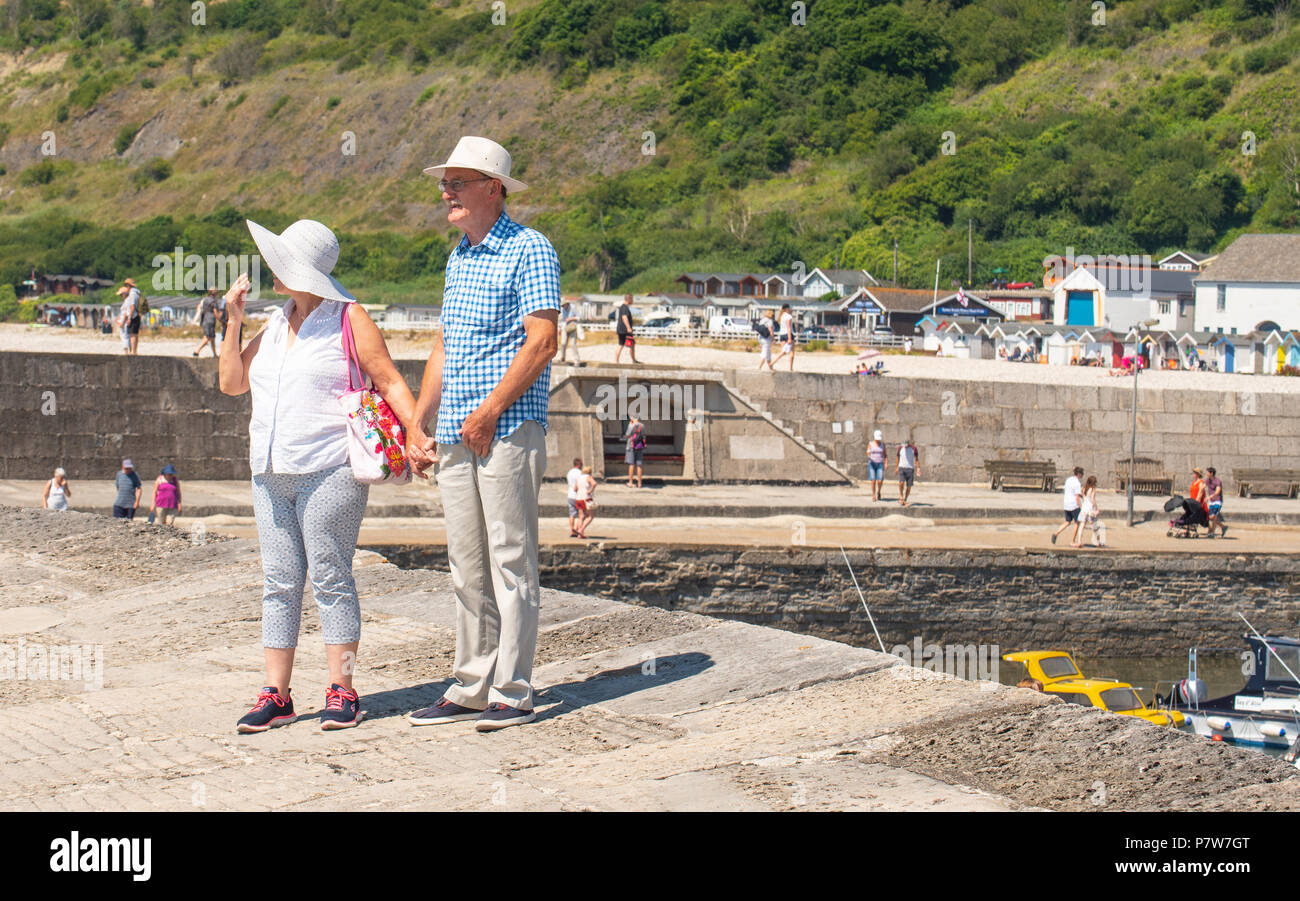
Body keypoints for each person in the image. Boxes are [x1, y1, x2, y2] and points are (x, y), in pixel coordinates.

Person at [219, 217, 424, 734]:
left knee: (331, 575)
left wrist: (419, 435)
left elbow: (390, 381)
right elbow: (230, 383)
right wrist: (232, 319)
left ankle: (343, 691)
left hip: (330, 466)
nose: (273, 270)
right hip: (268, 468)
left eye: (283, 263)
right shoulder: (273, 321)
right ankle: (277, 695)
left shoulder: (349, 318)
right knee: (280, 582)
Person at [404, 135, 560, 733]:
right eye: (445, 184)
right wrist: (420, 420)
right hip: (453, 428)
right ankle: (471, 682)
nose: (446, 193)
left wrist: (491, 409)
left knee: (511, 557)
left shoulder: (530, 249)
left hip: (508, 426)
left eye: (457, 183)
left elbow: (542, 341)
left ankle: (513, 690)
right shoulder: (458, 256)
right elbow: (445, 344)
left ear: (492, 189)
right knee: (466, 563)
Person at [1051, 466, 1084, 545]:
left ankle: (1056, 533)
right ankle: (1072, 541)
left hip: (1066, 504)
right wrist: (1081, 507)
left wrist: (1082, 496)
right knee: (1077, 523)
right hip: (1074, 505)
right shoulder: (1077, 483)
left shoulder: (1068, 480)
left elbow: (1072, 492)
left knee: (1068, 521)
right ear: (1079, 474)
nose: (1083, 475)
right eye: (1082, 473)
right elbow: (1077, 497)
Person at [1074, 475, 1106, 548]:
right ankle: (1098, 542)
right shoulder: (1093, 489)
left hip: (1084, 509)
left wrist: (1081, 505)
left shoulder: (1084, 488)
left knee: (1082, 526)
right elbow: (1092, 499)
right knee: (1094, 526)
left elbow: (1080, 497)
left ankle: (1079, 541)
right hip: (1090, 510)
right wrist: (1097, 508)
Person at [193, 288, 221, 357]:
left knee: (213, 338)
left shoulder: (204, 299)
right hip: (210, 321)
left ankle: (214, 354)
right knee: (208, 337)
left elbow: (198, 307)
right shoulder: (213, 301)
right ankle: (197, 351)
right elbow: (215, 312)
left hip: (205, 320)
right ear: (215, 294)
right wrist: (221, 320)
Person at [114, 279, 139, 356]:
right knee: (130, 336)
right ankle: (131, 352)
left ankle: (128, 352)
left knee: (126, 337)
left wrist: (124, 321)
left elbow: (127, 312)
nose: (121, 296)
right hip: (129, 319)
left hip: (126, 321)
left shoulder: (130, 297)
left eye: (121, 295)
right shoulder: (134, 295)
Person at [895, 437, 920, 506]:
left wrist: (918, 468)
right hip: (901, 468)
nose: (904, 447)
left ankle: (905, 499)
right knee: (901, 482)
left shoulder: (913, 449)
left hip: (910, 469)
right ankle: (901, 496)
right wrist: (896, 467)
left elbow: (916, 459)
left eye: (905, 445)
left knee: (909, 486)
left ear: (908, 444)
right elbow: (897, 457)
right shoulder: (900, 448)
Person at [769, 304, 796, 370]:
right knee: (791, 352)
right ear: (787, 309)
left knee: (783, 351)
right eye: (789, 308)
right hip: (788, 334)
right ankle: (790, 368)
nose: (790, 309)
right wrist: (789, 338)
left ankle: (773, 363)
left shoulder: (781, 316)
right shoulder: (788, 316)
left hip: (782, 335)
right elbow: (789, 327)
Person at [614, 294, 637, 364]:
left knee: (631, 344)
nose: (633, 301)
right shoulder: (624, 308)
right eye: (632, 299)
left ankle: (633, 360)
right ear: (629, 299)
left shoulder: (623, 307)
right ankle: (617, 361)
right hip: (624, 330)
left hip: (622, 329)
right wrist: (628, 328)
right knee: (621, 345)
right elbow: (624, 318)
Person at [557, 299, 582, 364]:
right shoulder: (563, 310)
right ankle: (562, 358)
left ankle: (577, 360)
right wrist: (559, 329)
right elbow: (562, 320)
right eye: (562, 305)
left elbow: (579, 317)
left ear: (566, 303)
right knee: (563, 344)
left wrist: (571, 319)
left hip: (573, 327)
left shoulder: (573, 307)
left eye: (563, 305)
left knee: (573, 344)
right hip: (565, 328)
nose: (563, 306)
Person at [1205, 466, 1227, 538]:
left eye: (1207, 472)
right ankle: (1222, 527)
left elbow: (1217, 492)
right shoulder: (1208, 480)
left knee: (1213, 516)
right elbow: (1203, 486)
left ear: (1211, 473)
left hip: (1218, 501)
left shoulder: (1218, 481)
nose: (1206, 474)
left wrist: (1209, 497)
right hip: (1211, 502)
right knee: (1211, 517)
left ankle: (1212, 532)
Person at [575, 465, 597, 538]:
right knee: (591, 516)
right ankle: (581, 530)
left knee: (581, 516)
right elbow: (594, 483)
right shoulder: (588, 477)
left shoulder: (579, 478)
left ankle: (580, 534)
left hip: (578, 498)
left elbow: (575, 488)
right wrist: (590, 490)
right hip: (586, 498)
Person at [624, 414, 646, 488]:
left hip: (631, 447)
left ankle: (630, 482)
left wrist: (630, 426)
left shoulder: (631, 425)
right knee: (639, 465)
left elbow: (627, 435)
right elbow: (643, 436)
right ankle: (639, 483)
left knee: (631, 464)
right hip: (639, 447)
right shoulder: (642, 426)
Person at [866, 429, 887, 501]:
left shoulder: (883, 445)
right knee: (873, 480)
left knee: (880, 480)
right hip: (872, 463)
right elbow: (868, 452)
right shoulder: (870, 444)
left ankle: (879, 492)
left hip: (880, 463)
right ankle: (873, 494)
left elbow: (885, 455)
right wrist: (869, 456)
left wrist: (886, 463)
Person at [565, 457, 583, 537]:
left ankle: (572, 529)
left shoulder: (569, 472)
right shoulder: (580, 473)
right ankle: (578, 529)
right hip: (578, 496)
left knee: (572, 514)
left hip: (570, 495)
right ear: (579, 464)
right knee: (581, 514)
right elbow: (580, 484)